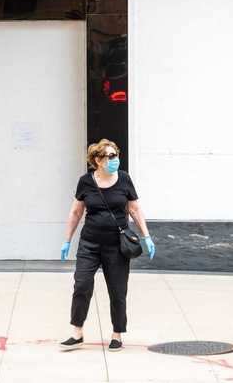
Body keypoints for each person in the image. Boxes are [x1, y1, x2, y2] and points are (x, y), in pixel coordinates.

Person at [59, 139, 156, 352]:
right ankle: (77, 332)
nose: (115, 160)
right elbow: (76, 212)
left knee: (117, 291)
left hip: (117, 246)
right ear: (98, 160)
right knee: (82, 285)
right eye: (110, 156)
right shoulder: (85, 181)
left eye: (116, 155)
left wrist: (146, 236)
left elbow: (135, 209)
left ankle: (117, 334)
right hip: (90, 243)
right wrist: (67, 240)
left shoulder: (124, 179)